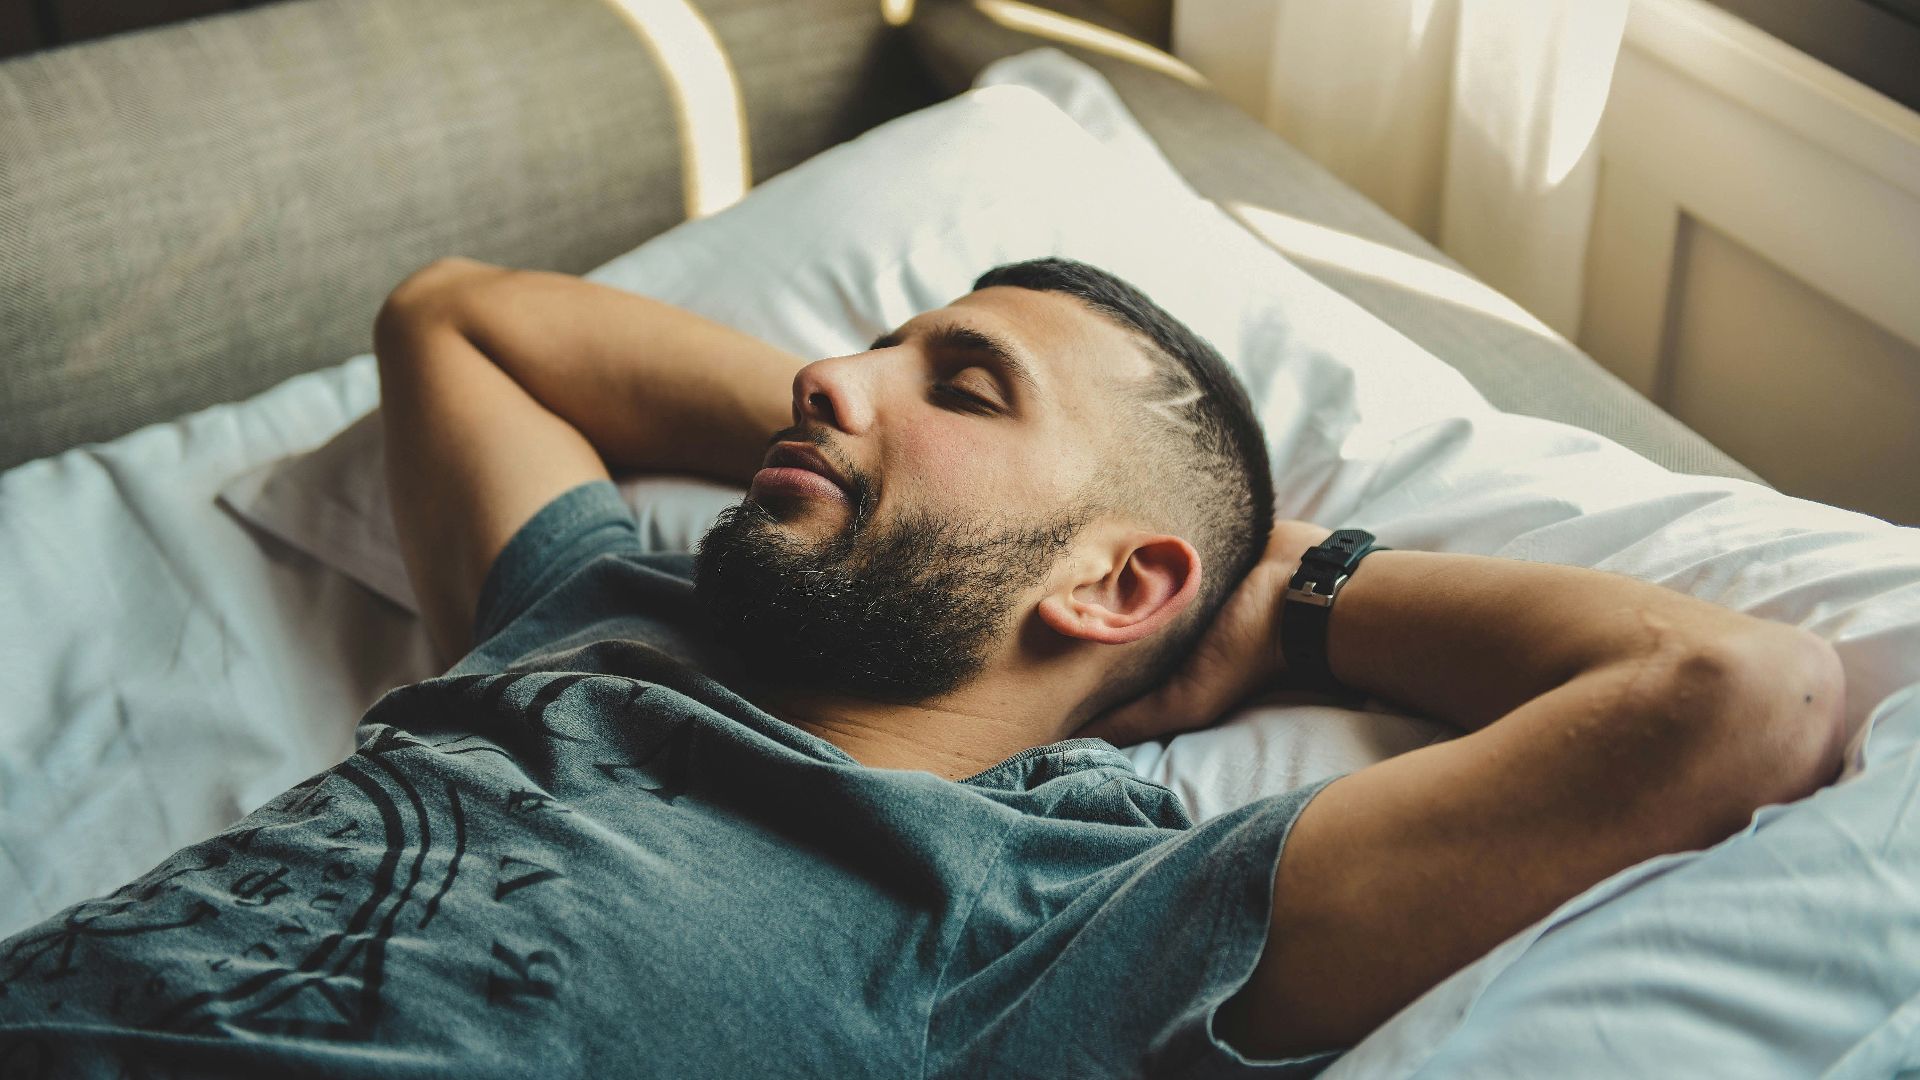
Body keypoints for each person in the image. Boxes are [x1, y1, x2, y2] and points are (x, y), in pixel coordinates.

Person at [0, 256, 1848, 1078]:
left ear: (1120, 580)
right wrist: (873, 441)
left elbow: (1738, 696)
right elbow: (462, 318)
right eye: (870, 346)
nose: (826, 376)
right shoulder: (606, 614)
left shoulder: (1068, 910)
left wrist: (1284, 599)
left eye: (963, 382)